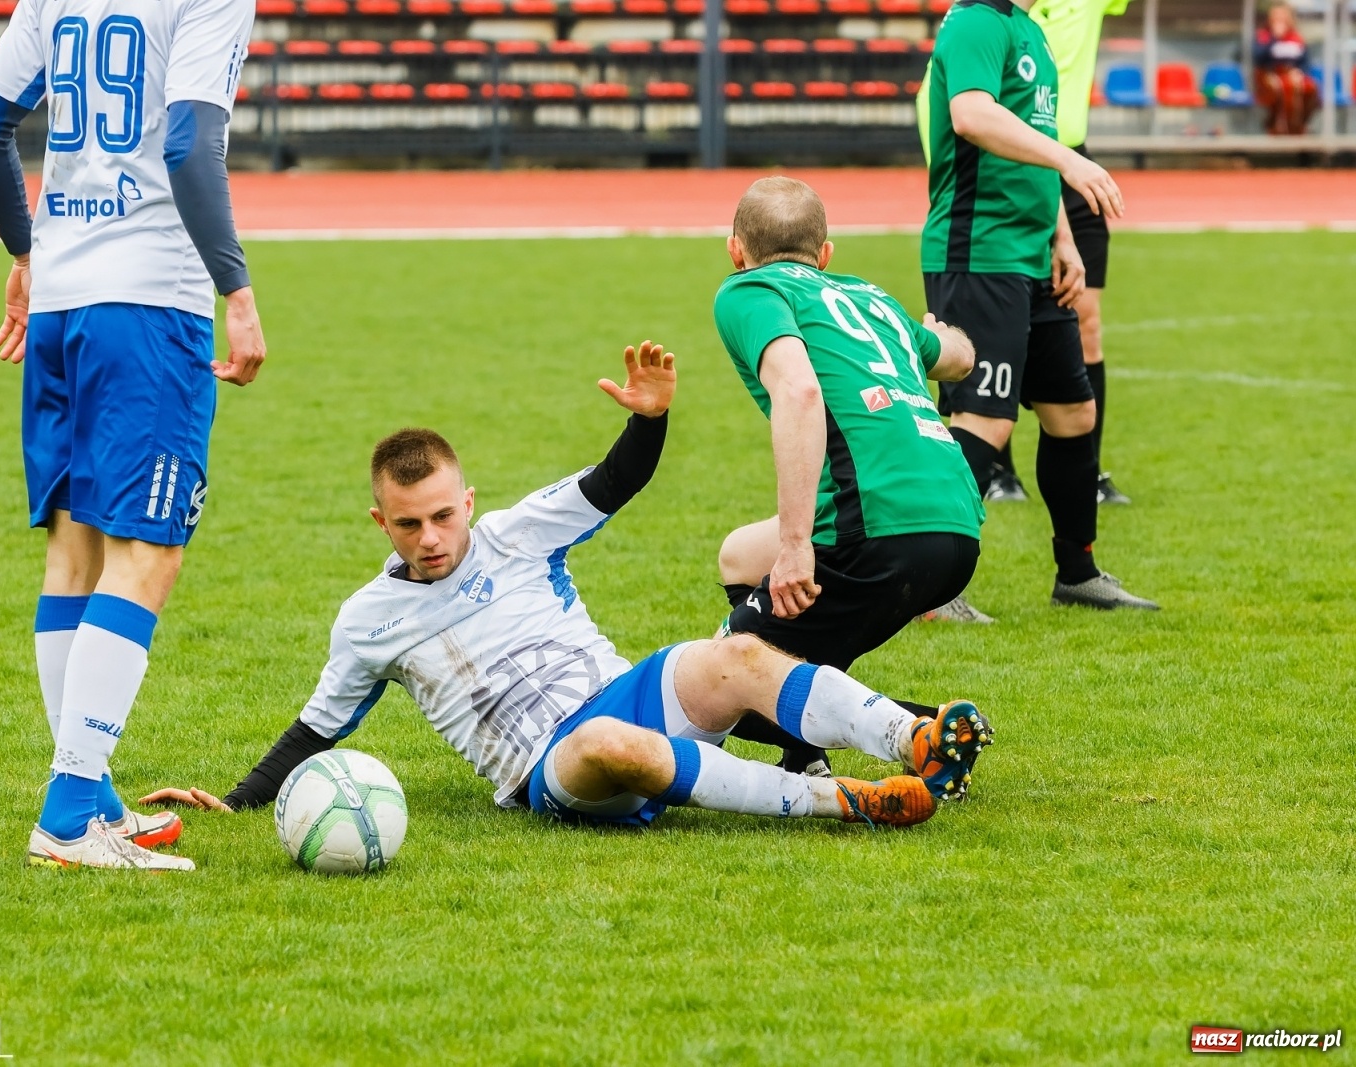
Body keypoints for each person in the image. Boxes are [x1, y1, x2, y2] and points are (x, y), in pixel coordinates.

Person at [141, 342, 994, 830]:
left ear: (466, 500)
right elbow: (315, 727)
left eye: (444, 515)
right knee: (602, 747)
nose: (433, 538)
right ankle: (841, 800)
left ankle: (911, 741)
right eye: (411, 524)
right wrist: (236, 801)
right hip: (554, 767)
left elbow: (616, 480)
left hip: (625, 692)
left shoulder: (515, 533)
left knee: (738, 651)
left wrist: (648, 417)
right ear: (382, 524)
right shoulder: (371, 619)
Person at [0, 0, 266, 870]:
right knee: (148, 554)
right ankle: (66, 818)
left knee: (75, 553)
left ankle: (90, 797)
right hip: (148, 303)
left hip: (61, 301)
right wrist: (235, 293)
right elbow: (187, 144)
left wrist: (27, 254)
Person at [709, 176, 986, 772]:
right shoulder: (870, 296)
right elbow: (960, 357)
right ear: (826, 253)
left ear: (735, 249)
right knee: (738, 556)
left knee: (724, 685)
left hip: (878, 526)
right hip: (958, 525)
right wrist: (936, 333)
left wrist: (794, 546)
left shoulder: (748, 290)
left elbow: (801, 391)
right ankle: (805, 755)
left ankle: (921, 729)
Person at [921, 0, 1158, 615]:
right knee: (985, 420)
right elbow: (971, 116)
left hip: (1031, 254)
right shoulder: (976, 20)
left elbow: (1035, 140)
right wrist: (1070, 160)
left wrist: (1063, 238)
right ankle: (928, 586)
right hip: (979, 254)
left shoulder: (1029, 29)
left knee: (1074, 413)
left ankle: (1077, 575)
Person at [981, 0, 1133, 507]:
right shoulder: (987, 19)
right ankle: (999, 472)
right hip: (1010, 172)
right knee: (1007, 327)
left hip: (1076, 170)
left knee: (1085, 318)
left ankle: (1086, 470)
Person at [1253, 3, 1320, 135]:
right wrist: (1274, 38)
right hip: (1269, 74)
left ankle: (1298, 126)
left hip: (1293, 74)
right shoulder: (1263, 36)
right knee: (1285, 90)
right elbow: (1258, 58)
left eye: (1282, 17)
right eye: (1276, 17)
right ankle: (1278, 128)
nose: (1279, 20)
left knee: (1311, 88)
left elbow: (1305, 61)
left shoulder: (1296, 37)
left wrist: (1300, 72)